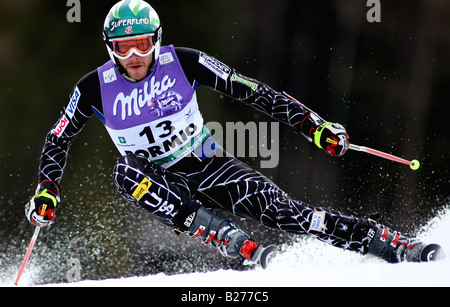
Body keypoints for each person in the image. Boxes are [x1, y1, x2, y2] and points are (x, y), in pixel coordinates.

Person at [25, 0, 443, 269]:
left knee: (290, 214)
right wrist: (47, 189)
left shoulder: (184, 62)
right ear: (108, 47)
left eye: (141, 45)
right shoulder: (93, 87)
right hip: (159, 180)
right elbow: (58, 137)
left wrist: (313, 126)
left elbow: (253, 92)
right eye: (122, 48)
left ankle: (386, 242)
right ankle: (217, 233)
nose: (133, 58)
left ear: (156, 41)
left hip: (209, 163)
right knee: (124, 172)